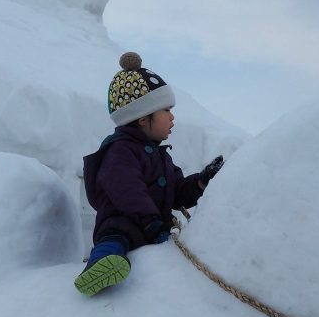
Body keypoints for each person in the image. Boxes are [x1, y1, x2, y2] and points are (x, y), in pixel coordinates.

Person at [74, 51, 224, 296]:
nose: (172, 117)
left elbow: (177, 191)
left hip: (151, 231)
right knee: (113, 243)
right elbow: (126, 189)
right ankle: (98, 269)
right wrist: (152, 222)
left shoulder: (160, 155)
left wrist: (201, 181)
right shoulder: (120, 151)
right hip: (121, 225)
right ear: (143, 118)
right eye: (166, 110)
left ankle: (111, 265)